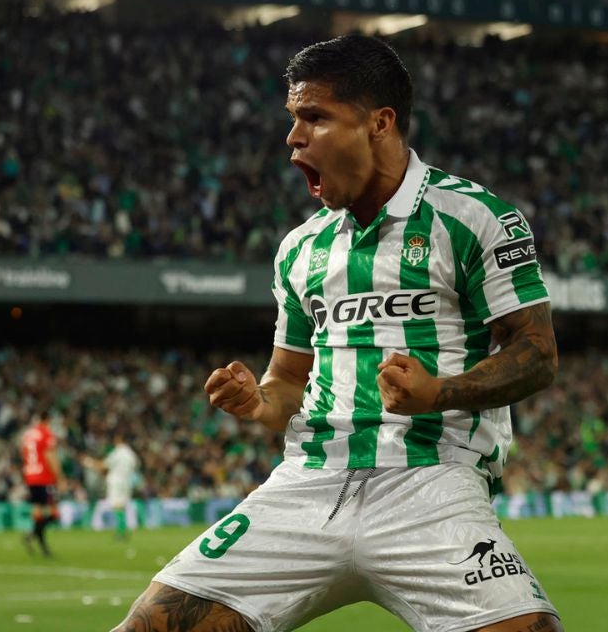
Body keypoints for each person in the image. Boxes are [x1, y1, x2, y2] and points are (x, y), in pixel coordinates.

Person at [114, 35, 563, 632]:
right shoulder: (300, 247)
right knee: (148, 627)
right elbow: (288, 382)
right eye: (293, 118)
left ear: (379, 122)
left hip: (431, 486)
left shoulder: (474, 218)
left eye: (314, 117)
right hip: (308, 482)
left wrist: (440, 393)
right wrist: (258, 400)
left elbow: (536, 354)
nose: (293, 137)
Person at [20, 408, 63, 558]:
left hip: (30, 476)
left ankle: (35, 540)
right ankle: (37, 540)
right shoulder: (46, 434)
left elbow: (23, 453)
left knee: (38, 511)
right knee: (54, 514)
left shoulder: (28, 434)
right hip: (44, 477)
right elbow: (49, 455)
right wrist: (60, 477)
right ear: (48, 420)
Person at [86, 433, 141, 541]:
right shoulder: (131, 454)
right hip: (127, 481)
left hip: (116, 481)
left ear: (119, 439)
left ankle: (120, 532)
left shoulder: (117, 452)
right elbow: (136, 466)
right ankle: (123, 530)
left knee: (117, 506)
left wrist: (90, 463)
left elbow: (104, 465)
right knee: (122, 506)